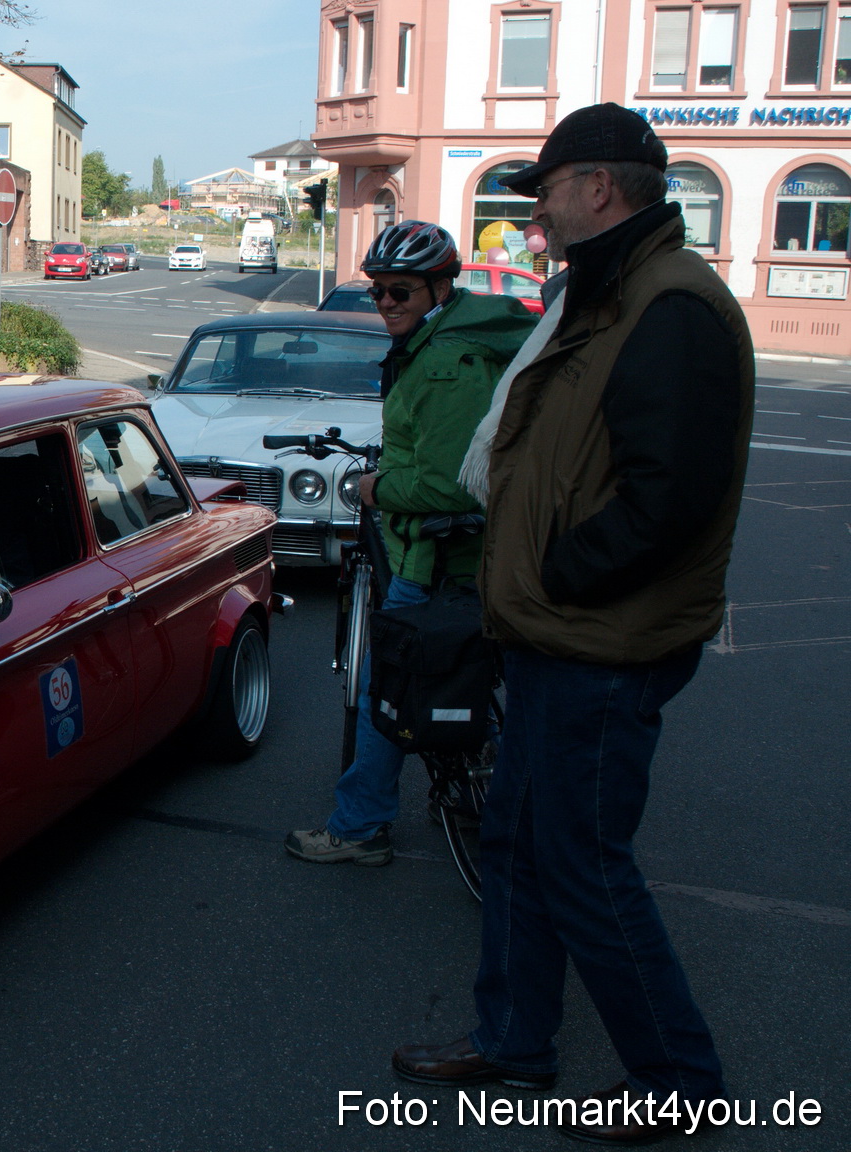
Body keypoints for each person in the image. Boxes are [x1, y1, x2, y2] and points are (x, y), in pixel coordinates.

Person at [393, 103, 752, 1146]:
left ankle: (677, 1080)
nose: (535, 218)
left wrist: (554, 574)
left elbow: (664, 498)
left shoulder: (667, 304)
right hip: (556, 634)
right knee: (513, 844)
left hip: (599, 641)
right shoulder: (605, 294)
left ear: (597, 188)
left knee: (581, 862)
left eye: (543, 194)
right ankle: (511, 1040)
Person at [285, 221, 535, 866]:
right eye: (378, 293)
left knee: (382, 692)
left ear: (440, 287)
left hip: (435, 553)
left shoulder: (451, 361)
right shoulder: (440, 340)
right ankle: (463, 774)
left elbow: (455, 484)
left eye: (401, 291)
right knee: (457, 679)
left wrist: (377, 488)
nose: (387, 303)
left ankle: (360, 827)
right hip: (461, 552)